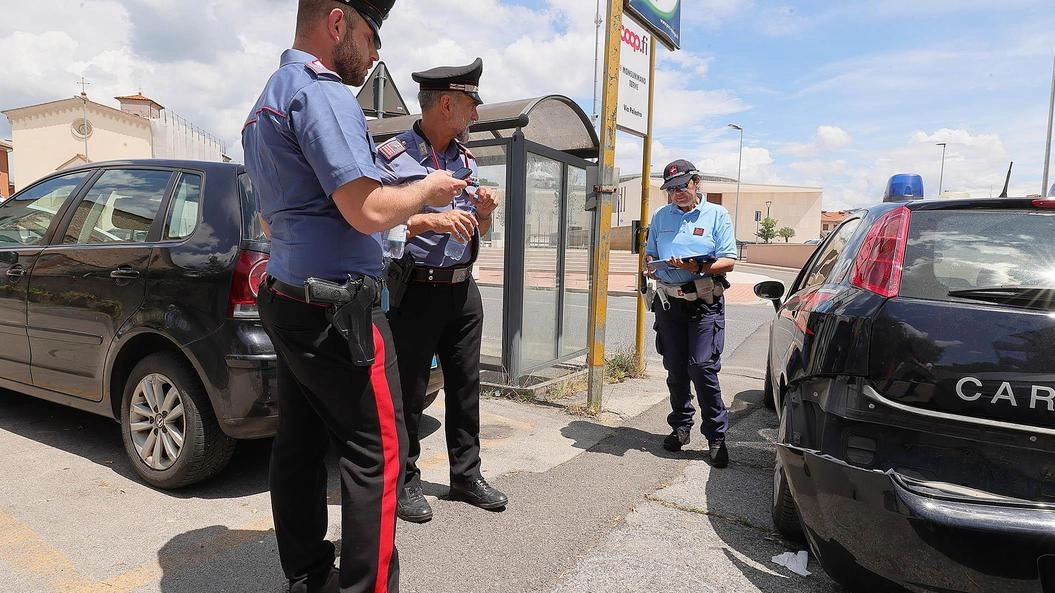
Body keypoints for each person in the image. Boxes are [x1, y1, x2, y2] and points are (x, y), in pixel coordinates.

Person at [241, 2, 469, 592]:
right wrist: (427, 192)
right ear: (338, 23)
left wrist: (418, 221)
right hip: (338, 312)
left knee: (297, 442)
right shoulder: (326, 94)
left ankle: (308, 573)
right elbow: (366, 210)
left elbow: (299, 216)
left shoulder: (267, 98)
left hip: (290, 295)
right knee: (379, 456)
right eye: (370, 37)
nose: (375, 55)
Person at [375, 58, 507, 523]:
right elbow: (373, 218)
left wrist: (485, 212)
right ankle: (405, 480)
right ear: (446, 103)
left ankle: (466, 476)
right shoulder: (393, 156)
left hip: (461, 290)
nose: (474, 115)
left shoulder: (464, 159)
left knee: (466, 386)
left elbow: (475, 229)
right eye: (470, 105)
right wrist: (428, 219)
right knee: (409, 391)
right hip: (416, 290)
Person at [644, 159, 737, 468]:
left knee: (701, 367)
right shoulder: (661, 216)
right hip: (669, 304)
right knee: (675, 368)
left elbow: (728, 261)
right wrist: (652, 265)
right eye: (671, 189)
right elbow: (651, 253)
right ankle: (681, 428)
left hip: (703, 302)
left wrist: (695, 266)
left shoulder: (716, 215)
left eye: (683, 186)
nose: (678, 193)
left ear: (697, 182)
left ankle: (716, 436)